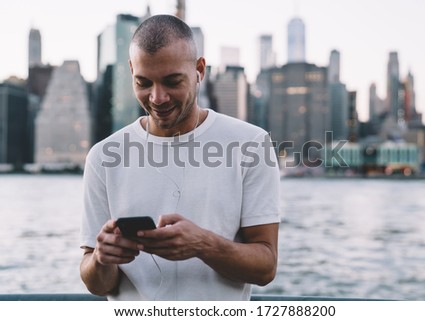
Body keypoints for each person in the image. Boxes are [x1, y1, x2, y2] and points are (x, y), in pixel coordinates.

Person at [80, 14, 280, 301]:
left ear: (199, 70)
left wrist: (203, 244)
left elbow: (265, 267)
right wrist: (102, 258)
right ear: (131, 71)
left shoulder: (251, 144)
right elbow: (98, 284)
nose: (157, 97)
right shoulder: (103, 156)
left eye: (172, 81)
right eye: (143, 82)